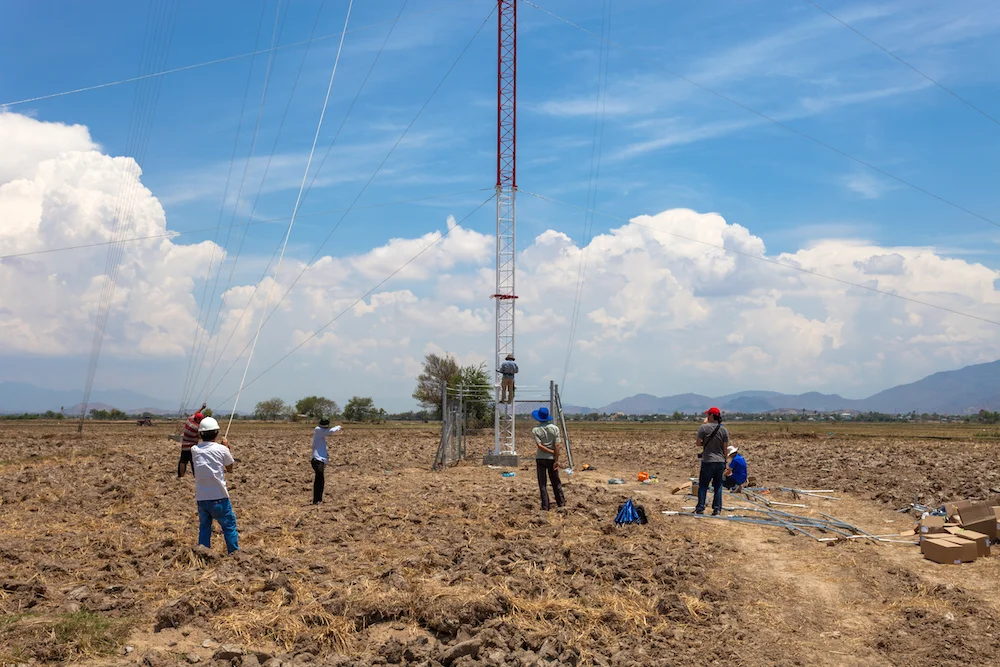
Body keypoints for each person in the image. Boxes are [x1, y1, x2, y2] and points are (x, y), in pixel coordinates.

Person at [190, 417, 239, 554]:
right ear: (216, 433)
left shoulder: (194, 450)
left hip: (202, 498)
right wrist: (226, 448)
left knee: (204, 528)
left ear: (200, 434)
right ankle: (234, 555)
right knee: (229, 526)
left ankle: (203, 553)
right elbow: (229, 468)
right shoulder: (222, 449)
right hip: (219, 497)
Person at [695, 407, 729, 516]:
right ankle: (717, 509)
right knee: (718, 486)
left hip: (708, 460)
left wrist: (705, 442)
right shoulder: (723, 430)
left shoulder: (703, 428)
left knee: (703, 485)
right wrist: (725, 461)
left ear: (711, 416)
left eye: (708, 415)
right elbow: (725, 448)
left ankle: (700, 508)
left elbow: (698, 443)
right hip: (720, 461)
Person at [532, 406, 565, 511]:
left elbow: (540, 446)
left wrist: (550, 452)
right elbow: (557, 445)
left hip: (540, 458)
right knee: (556, 481)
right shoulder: (555, 429)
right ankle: (561, 502)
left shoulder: (536, 430)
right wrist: (556, 457)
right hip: (552, 459)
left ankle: (545, 505)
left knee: (542, 483)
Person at [311, 418, 342, 505]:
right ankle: (316, 500)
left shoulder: (321, 432)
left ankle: (318, 499)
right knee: (319, 479)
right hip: (317, 459)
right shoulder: (318, 430)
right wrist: (339, 426)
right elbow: (331, 431)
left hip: (320, 460)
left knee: (320, 479)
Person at [177, 402, 207, 478]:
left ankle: (181, 476)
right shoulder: (196, 428)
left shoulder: (189, 420)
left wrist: (202, 408)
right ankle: (196, 477)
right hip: (192, 447)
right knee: (194, 463)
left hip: (184, 446)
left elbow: (196, 414)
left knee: (183, 461)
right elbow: (200, 437)